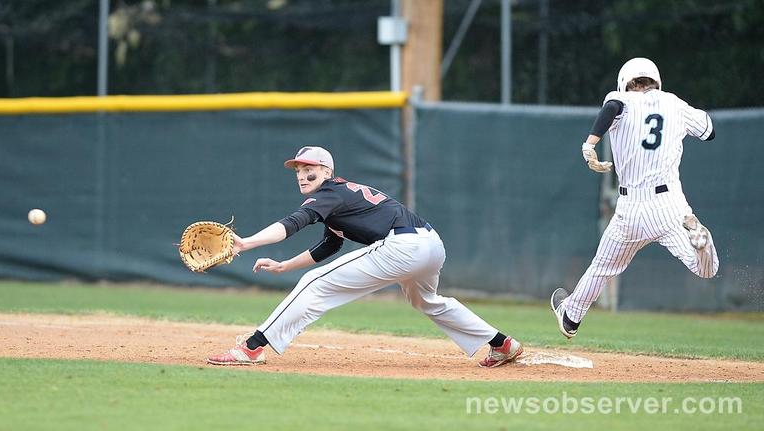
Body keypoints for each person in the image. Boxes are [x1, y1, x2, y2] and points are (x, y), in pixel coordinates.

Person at [207, 146, 523, 368]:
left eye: (310, 169)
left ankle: (252, 347)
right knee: (427, 301)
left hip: (402, 247)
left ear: (326, 171)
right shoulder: (341, 197)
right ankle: (501, 343)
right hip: (430, 244)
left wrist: (247, 243)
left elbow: (292, 224)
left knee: (314, 282)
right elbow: (328, 246)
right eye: (299, 170)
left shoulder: (329, 193)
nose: (303, 175)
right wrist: (284, 265)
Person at [551, 57, 719, 338]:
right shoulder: (674, 104)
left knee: (602, 267)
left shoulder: (622, 99)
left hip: (631, 209)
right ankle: (701, 242)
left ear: (625, 82)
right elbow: (709, 131)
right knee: (705, 270)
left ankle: (571, 317)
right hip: (672, 208)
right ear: (656, 81)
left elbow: (611, 108)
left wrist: (590, 143)